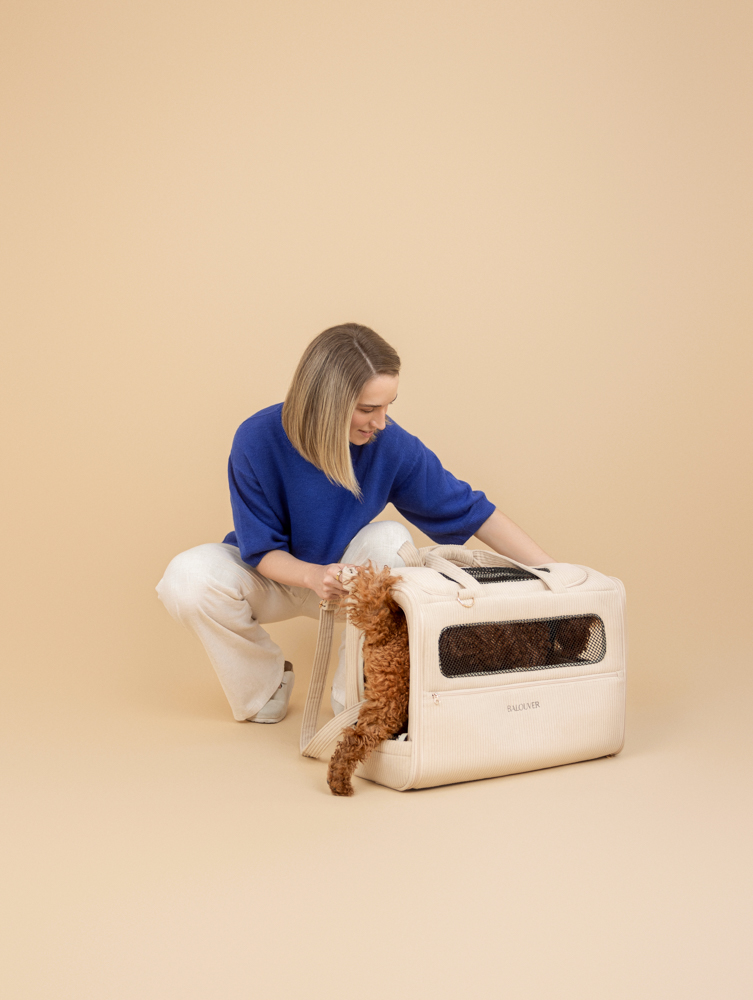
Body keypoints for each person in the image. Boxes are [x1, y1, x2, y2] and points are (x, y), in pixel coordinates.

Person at [156, 323, 556, 724]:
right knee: (186, 578)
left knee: (391, 538)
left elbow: (473, 511)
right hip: (274, 576)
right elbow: (261, 549)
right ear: (326, 401)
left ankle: (353, 697)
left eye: (388, 406)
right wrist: (313, 575)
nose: (380, 422)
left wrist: (556, 576)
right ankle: (264, 685)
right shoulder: (256, 437)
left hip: (348, 583)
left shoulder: (389, 443)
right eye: (367, 409)